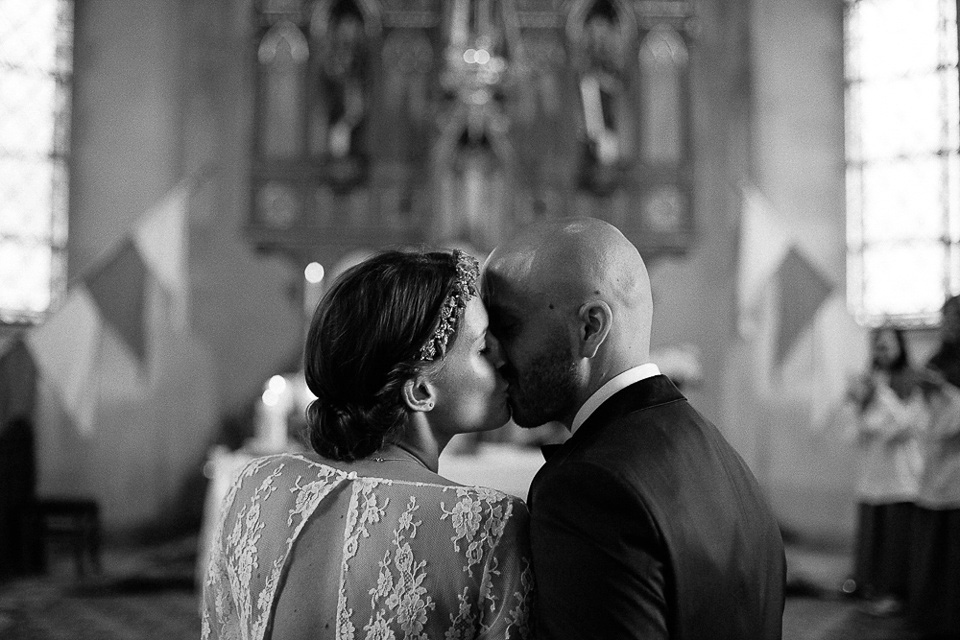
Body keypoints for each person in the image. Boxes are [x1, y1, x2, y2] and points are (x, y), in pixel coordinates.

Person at [202, 250, 534, 640]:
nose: (504, 358)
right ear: (421, 390)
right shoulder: (489, 523)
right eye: (483, 348)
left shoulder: (255, 482)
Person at [482, 217, 785, 640]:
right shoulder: (727, 461)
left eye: (508, 326)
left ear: (590, 328)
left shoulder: (587, 488)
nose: (491, 354)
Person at [841, 327, 926, 616]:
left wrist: (883, 394)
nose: (883, 351)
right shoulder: (868, 380)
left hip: (900, 476)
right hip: (871, 474)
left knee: (895, 540)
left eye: (888, 345)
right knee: (873, 537)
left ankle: (895, 593)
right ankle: (872, 587)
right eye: (878, 346)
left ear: (901, 347)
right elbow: (859, 429)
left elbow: (908, 425)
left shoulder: (911, 381)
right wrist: (856, 400)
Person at [908, 295, 960, 639]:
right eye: (945, 318)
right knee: (934, 552)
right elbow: (923, 420)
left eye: (954, 318)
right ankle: (933, 615)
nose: (947, 324)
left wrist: (946, 392)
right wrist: (929, 393)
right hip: (938, 466)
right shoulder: (937, 360)